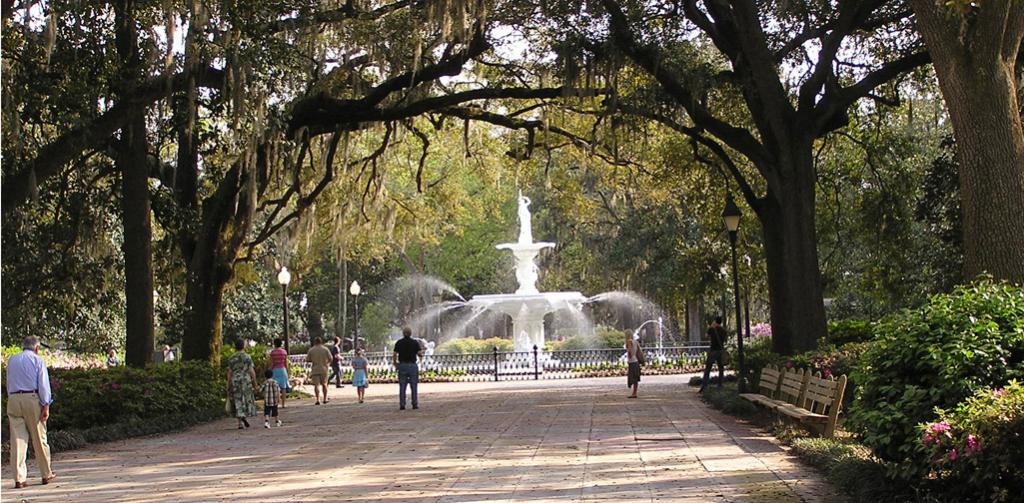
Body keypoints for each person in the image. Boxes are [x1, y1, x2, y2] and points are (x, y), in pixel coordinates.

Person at [6, 336, 56, 489]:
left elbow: (8, 381)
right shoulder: (37, 360)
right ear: (36, 348)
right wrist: (45, 404)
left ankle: (19, 478)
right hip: (31, 398)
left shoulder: (12, 360)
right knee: (39, 437)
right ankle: (46, 474)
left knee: (17, 440)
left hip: (14, 398)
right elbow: (43, 384)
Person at [226, 339, 258, 429]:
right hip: (245, 380)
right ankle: (244, 414)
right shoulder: (247, 357)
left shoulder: (232, 358)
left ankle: (240, 422)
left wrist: (228, 384)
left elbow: (229, 372)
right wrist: (255, 383)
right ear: (243, 346)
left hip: (235, 380)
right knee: (246, 398)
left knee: (237, 399)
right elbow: (251, 371)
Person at [393, 327, 423, 410]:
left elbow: (395, 354)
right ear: (411, 333)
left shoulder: (399, 342)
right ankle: (414, 403)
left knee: (402, 386)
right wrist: (421, 359)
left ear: (403, 333)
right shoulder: (414, 342)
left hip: (402, 365)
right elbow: (419, 353)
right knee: (414, 385)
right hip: (412, 365)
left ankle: (402, 404)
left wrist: (395, 363)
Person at [699, 316, 728, 393]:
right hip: (720, 351)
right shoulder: (723, 331)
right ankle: (720, 385)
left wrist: (711, 327)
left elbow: (706, 336)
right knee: (721, 368)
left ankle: (704, 386)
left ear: (715, 321)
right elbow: (725, 339)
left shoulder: (712, 329)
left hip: (713, 351)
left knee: (708, 368)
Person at [306, 337, 332, 405]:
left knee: (316, 385)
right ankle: (325, 398)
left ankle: (317, 399)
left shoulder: (311, 350)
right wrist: (327, 363)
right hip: (324, 369)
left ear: (315, 342)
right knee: (324, 384)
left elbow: (308, 359)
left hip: (315, 369)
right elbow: (331, 358)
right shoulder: (325, 349)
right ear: (321, 342)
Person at [269, 339, 291, 408]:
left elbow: (272, 363)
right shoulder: (284, 352)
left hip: (275, 370)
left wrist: (269, 369)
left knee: (276, 387)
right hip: (282, 370)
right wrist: (287, 371)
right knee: (283, 387)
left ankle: (277, 402)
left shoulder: (273, 352)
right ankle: (283, 404)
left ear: (274, 344)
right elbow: (285, 363)